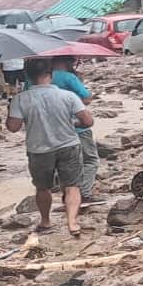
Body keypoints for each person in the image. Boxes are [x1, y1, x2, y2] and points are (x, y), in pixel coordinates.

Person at [7, 58, 93, 236]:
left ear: (28, 76)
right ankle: (72, 222)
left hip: (39, 149)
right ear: (51, 74)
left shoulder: (20, 99)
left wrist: (14, 110)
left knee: (42, 188)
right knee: (72, 186)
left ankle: (46, 221)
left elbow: (13, 127)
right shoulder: (68, 96)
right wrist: (72, 123)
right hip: (68, 145)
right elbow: (88, 121)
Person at [49, 56, 100, 203]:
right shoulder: (68, 77)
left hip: (51, 129)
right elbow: (86, 98)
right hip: (77, 127)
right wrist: (80, 83)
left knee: (64, 163)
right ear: (68, 62)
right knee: (90, 160)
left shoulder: (36, 80)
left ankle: (67, 194)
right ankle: (83, 193)